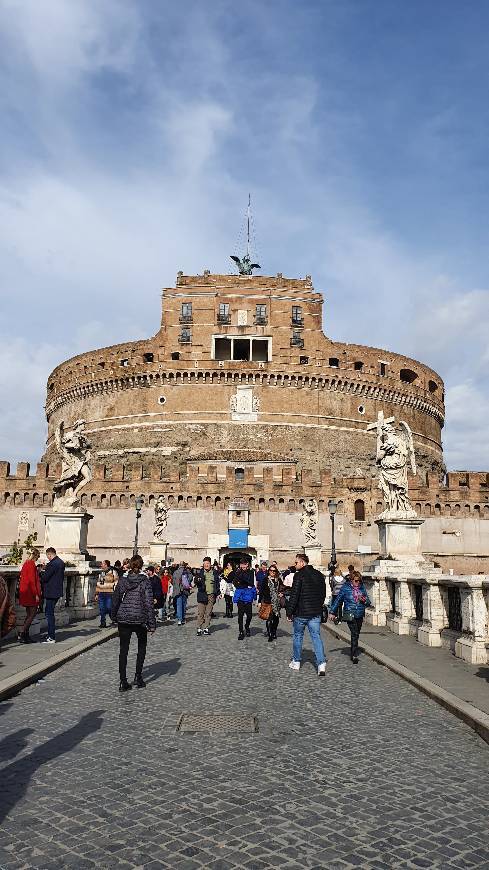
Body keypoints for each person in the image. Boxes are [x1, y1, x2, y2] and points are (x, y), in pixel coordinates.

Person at [111, 553, 155, 691]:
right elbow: (148, 603)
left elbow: (116, 599)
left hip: (124, 617)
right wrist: (152, 623)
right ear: (141, 566)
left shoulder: (123, 580)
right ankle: (138, 676)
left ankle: (123, 681)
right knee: (141, 647)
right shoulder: (145, 581)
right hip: (139, 618)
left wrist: (114, 616)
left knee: (123, 650)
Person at [286, 553, 327, 676]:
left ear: (302, 563)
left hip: (301, 613)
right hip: (315, 612)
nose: (295, 565)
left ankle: (296, 661)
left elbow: (294, 595)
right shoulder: (319, 575)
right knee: (316, 637)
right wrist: (318, 606)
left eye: (296, 563)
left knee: (298, 636)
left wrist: (289, 612)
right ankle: (321, 664)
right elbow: (323, 594)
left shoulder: (299, 576)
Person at [329, 570, 371, 664]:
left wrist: (364, 600)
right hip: (350, 613)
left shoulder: (362, 588)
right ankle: (354, 654)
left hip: (359, 614)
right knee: (354, 632)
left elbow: (368, 602)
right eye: (356, 581)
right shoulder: (345, 588)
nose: (358, 583)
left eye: (359, 581)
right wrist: (332, 612)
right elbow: (338, 600)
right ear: (351, 580)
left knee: (357, 633)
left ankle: (354, 649)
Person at [40, 547, 65, 644]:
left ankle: (51, 636)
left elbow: (45, 578)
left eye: (48, 556)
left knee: (49, 614)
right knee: (50, 613)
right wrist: (47, 568)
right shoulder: (60, 562)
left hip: (51, 592)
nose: (48, 558)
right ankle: (51, 634)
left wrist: (42, 571)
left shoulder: (52, 564)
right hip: (57, 591)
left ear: (50, 554)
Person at [18, 548, 41, 643]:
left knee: (29, 614)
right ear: (35, 556)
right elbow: (32, 581)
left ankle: (26, 635)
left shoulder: (26, 563)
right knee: (32, 614)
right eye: (37, 557)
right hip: (30, 593)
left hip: (25, 591)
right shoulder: (31, 564)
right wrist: (36, 594)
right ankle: (22, 632)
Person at [231, 557, 257, 640]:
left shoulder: (251, 572)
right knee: (240, 615)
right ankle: (241, 631)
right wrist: (241, 582)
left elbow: (251, 583)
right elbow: (235, 582)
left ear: (247, 564)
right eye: (241, 564)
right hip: (240, 596)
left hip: (248, 596)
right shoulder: (238, 572)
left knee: (249, 615)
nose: (242, 566)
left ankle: (247, 626)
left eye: (244, 564)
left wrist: (242, 581)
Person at [195, 557, 220, 635]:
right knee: (201, 613)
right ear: (203, 564)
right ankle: (199, 628)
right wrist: (197, 580)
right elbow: (195, 581)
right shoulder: (200, 572)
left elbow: (217, 584)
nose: (206, 565)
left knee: (208, 613)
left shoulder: (215, 572)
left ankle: (206, 628)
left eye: (208, 563)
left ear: (210, 564)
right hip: (202, 594)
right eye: (205, 563)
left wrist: (218, 593)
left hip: (211, 595)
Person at [259, 564, 282, 642]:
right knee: (269, 618)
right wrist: (259, 601)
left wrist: (281, 593)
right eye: (271, 570)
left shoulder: (278, 580)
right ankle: (270, 634)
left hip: (276, 602)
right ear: (269, 571)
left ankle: (274, 632)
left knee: (276, 618)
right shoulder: (265, 580)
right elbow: (261, 591)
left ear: (276, 572)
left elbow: (282, 588)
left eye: (274, 571)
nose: (272, 572)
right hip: (268, 601)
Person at [95, 559, 118, 628]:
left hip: (110, 593)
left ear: (106, 565)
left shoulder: (113, 572)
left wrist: (115, 590)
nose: (101, 565)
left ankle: (113, 619)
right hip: (101, 593)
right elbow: (98, 583)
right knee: (102, 609)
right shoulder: (101, 573)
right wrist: (96, 593)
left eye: (103, 564)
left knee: (109, 608)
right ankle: (103, 623)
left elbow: (117, 581)